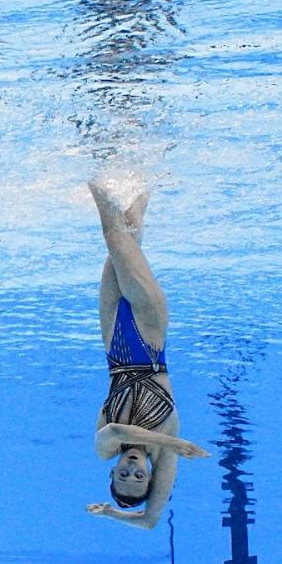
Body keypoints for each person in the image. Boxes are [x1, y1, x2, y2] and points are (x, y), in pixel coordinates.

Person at [84, 178, 209, 530]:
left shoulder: (109, 447)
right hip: (150, 339)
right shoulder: (165, 455)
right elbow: (151, 519)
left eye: (123, 474)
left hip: (113, 343)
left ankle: (141, 171)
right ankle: (98, 169)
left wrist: (109, 512)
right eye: (139, 476)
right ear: (150, 477)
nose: (133, 467)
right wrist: (119, 513)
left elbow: (113, 430)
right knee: (117, 237)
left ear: (114, 469)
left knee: (125, 238)